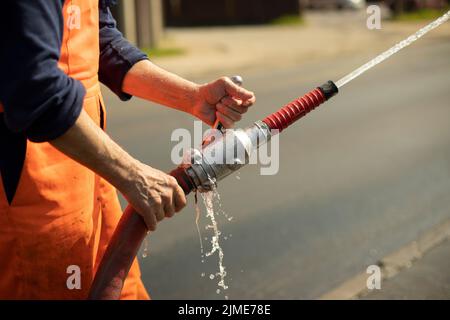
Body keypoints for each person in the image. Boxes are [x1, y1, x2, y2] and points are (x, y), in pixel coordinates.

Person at [0, 0, 255, 299]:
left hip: (92, 171)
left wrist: (192, 97)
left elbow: (98, 35)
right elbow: (35, 91)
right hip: (31, 192)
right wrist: (134, 176)